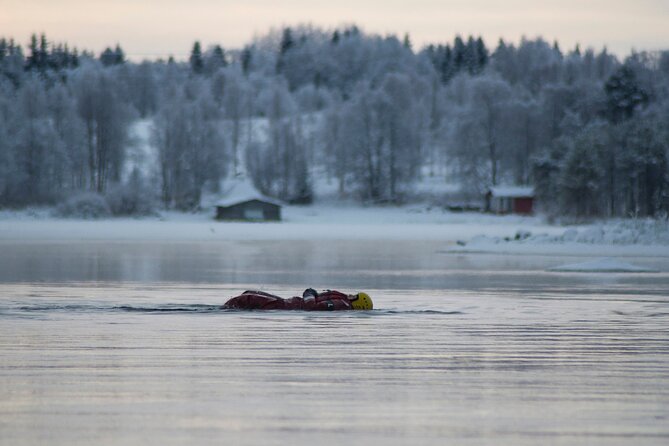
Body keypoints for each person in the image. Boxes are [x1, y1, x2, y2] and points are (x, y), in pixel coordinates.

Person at [222, 289, 373, 311]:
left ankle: (225, 310)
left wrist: (309, 294)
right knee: (249, 292)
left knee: (245, 298)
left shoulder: (342, 304)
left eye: (356, 296)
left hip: (283, 307)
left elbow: (311, 307)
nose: (352, 295)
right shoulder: (343, 301)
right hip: (286, 302)